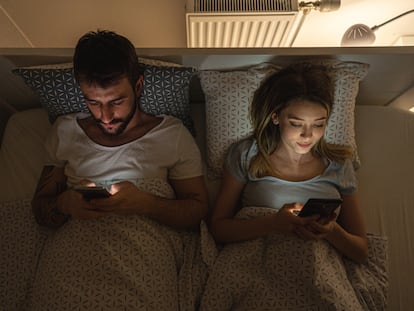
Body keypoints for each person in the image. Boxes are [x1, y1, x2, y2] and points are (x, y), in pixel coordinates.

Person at [31, 30, 208, 230]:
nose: (105, 117)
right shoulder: (65, 131)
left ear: (138, 86)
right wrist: (63, 204)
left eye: (117, 101)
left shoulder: (171, 135)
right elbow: (40, 210)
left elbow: (197, 214)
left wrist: (148, 205)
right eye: (94, 102)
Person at [209, 62, 368, 263]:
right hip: (257, 265)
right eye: (296, 123)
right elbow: (218, 229)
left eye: (319, 124)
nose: (307, 135)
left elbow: (361, 251)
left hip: (318, 270)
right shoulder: (247, 155)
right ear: (276, 117)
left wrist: (331, 231)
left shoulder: (338, 164)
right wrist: (273, 224)